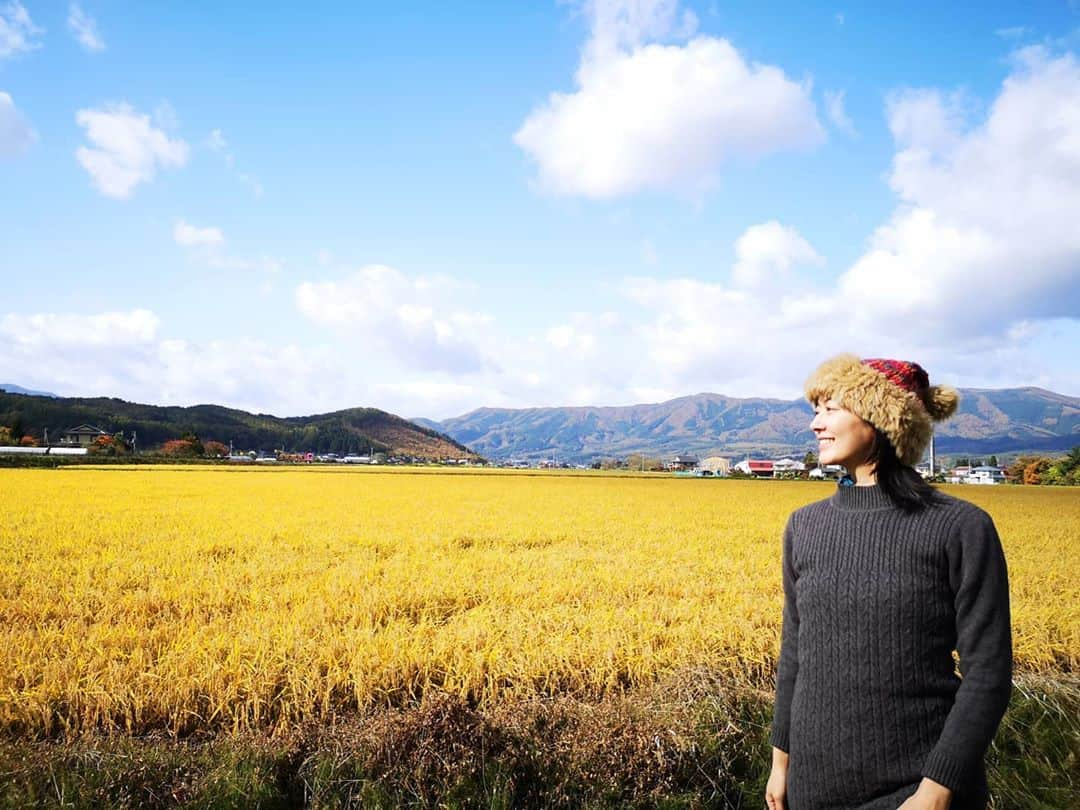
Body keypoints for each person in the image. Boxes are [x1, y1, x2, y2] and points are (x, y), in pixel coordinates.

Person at [764, 354, 1013, 810]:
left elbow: (989, 674)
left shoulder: (960, 528)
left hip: (917, 790)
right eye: (815, 409)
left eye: (831, 408)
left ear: (882, 419)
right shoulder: (805, 526)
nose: (815, 424)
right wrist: (781, 764)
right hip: (813, 790)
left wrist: (937, 791)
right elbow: (796, 654)